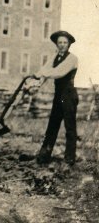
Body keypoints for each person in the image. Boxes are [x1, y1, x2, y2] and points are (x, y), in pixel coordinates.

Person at [34, 30, 79, 166]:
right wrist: (36, 82)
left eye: (65, 42)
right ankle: (44, 155)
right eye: (59, 42)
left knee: (69, 127)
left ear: (69, 44)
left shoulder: (72, 59)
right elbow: (45, 69)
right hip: (58, 94)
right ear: (56, 44)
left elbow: (58, 73)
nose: (62, 45)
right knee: (52, 125)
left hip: (69, 95)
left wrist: (42, 74)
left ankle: (69, 158)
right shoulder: (54, 57)